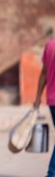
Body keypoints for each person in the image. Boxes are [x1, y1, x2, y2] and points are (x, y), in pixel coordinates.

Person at [34, 38, 55, 177]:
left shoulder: (50, 45)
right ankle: (51, 173)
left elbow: (43, 74)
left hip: (52, 100)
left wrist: (37, 98)